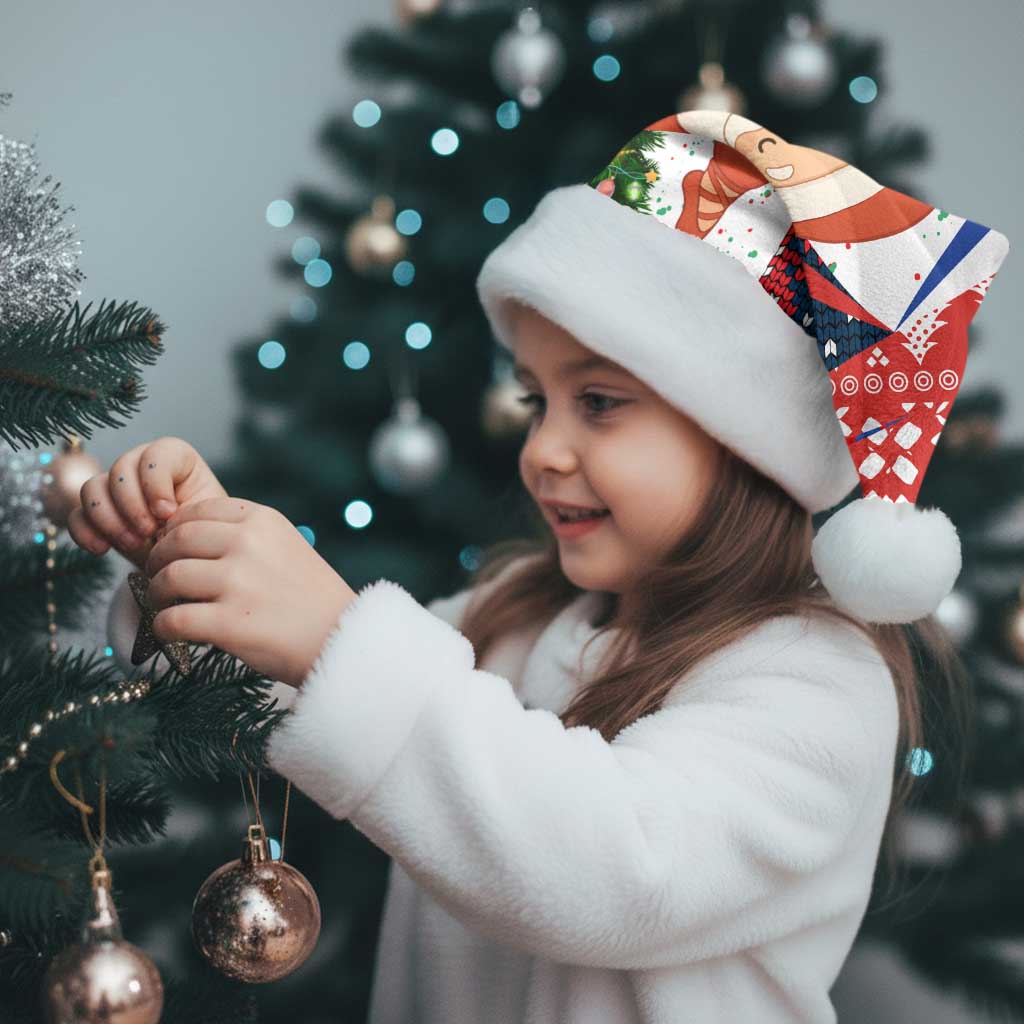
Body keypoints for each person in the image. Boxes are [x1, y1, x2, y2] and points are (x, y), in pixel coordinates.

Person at [72, 109, 1009, 1023]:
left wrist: (335, 637)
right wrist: (190, 565)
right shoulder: (514, 617)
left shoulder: (818, 683)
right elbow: (304, 693)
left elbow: (616, 870)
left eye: (598, 403)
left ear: (745, 441)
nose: (543, 450)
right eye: (535, 402)